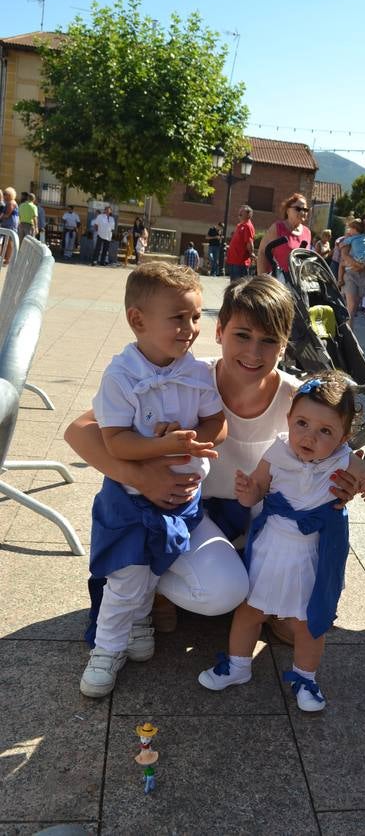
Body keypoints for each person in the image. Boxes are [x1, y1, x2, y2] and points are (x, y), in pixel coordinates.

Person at [64, 276, 359, 644]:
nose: (253, 352)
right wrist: (139, 477)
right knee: (224, 592)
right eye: (242, 335)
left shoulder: (297, 400)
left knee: (312, 527)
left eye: (269, 340)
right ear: (219, 331)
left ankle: (280, 605)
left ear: (284, 346)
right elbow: (79, 429)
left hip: (260, 517)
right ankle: (154, 586)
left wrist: (344, 485)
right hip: (191, 513)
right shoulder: (185, 374)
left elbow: (339, 451)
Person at [198, 371, 365, 711]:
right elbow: (257, 489)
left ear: (345, 437)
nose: (309, 436)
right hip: (272, 547)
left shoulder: (343, 460)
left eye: (325, 431)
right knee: (249, 610)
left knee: (309, 623)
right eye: (301, 423)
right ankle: (238, 665)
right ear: (288, 419)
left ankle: (306, 677)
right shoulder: (277, 453)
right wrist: (247, 492)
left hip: (312, 556)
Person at [79, 262, 227, 697]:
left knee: (154, 564)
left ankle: (141, 620)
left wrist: (190, 442)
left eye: (197, 317)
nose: (191, 328)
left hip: (182, 500)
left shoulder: (197, 372)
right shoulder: (121, 377)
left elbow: (217, 422)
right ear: (137, 320)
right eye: (178, 318)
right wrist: (164, 448)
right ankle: (106, 649)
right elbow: (117, 443)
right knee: (126, 575)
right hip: (131, 499)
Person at [257, 193, 311, 280]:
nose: (302, 212)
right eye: (298, 209)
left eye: (305, 209)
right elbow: (262, 253)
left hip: (296, 284)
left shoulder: (307, 232)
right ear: (287, 210)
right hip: (277, 281)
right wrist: (262, 280)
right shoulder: (277, 228)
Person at [338, 218, 365, 326]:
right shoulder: (350, 237)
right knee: (351, 306)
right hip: (351, 272)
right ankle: (348, 333)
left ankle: (345, 328)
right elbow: (344, 255)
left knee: (354, 306)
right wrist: (357, 265)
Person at [226, 206, 255, 281]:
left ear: (248, 215)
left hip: (240, 262)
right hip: (233, 260)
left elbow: (249, 242)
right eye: (239, 212)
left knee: (238, 286)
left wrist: (251, 253)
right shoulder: (240, 225)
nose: (239, 214)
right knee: (233, 285)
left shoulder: (247, 226)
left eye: (242, 213)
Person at [0, 187, 19, 264]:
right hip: (8, 224)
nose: (4, 196)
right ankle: (6, 259)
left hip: (10, 225)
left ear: (10, 195)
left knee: (9, 242)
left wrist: (1, 216)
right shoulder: (9, 202)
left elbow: (7, 215)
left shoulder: (11, 203)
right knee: (6, 242)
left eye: (5, 194)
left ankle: (7, 260)